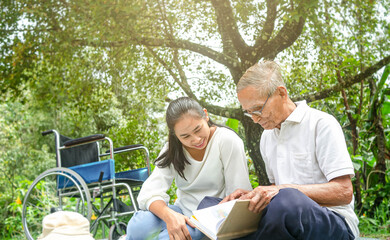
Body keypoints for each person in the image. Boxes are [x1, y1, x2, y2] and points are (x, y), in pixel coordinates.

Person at [222, 60, 359, 239]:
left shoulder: (321, 124)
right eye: (249, 113)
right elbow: (275, 188)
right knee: (213, 206)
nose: (255, 119)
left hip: (334, 222)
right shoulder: (267, 136)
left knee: (287, 200)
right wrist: (254, 195)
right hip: (286, 217)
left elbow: (344, 192)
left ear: (281, 93)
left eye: (258, 109)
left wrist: (284, 189)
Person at [126, 97, 252, 240]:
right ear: (175, 134)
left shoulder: (226, 140)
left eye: (198, 129)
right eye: (185, 136)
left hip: (213, 214)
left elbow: (239, 194)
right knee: (138, 227)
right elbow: (149, 193)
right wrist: (170, 216)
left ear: (205, 115)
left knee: (167, 238)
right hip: (182, 211)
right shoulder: (173, 149)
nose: (196, 139)